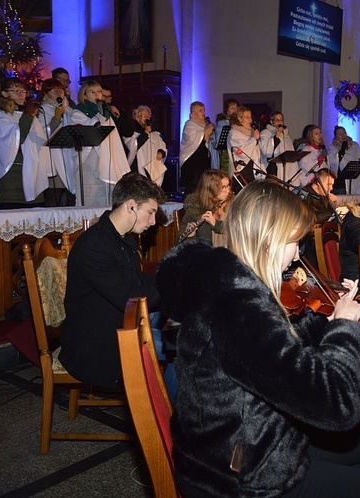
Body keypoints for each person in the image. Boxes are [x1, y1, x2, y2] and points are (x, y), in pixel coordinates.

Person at [156, 180, 360, 498]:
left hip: (239, 442)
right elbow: (337, 406)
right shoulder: (239, 308)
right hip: (239, 479)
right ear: (270, 240)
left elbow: (274, 352)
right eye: (295, 243)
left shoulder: (225, 279)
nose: (296, 257)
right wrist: (346, 328)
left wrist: (327, 323)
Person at [59, 172, 166, 389]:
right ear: (131, 206)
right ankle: (165, 418)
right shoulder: (94, 246)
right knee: (185, 349)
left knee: (182, 330)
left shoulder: (122, 239)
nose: (153, 222)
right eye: (151, 212)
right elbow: (131, 299)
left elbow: (138, 282)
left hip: (117, 324)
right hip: (95, 345)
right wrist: (175, 282)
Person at [0, 77, 48, 209]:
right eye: (15, 91)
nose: (21, 95)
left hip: (31, 172)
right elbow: (16, 139)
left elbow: (40, 141)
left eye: (23, 91)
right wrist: (28, 115)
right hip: (11, 175)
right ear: (5, 94)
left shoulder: (25, 114)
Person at [70, 80, 131, 206]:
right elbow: (87, 130)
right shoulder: (78, 111)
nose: (97, 95)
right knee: (91, 194)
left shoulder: (104, 111)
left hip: (106, 157)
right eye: (92, 92)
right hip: (89, 158)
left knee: (105, 195)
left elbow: (113, 137)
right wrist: (100, 117)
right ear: (84, 95)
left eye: (99, 92)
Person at [35, 78, 75, 206]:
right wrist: (56, 117)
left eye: (61, 90)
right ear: (46, 94)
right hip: (53, 159)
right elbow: (42, 135)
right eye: (54, 91)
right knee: (55, 197)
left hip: (68, 156)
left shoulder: (68, 110)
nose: (59, 93)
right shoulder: (42, 111)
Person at [177, 169, 231, 247]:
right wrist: (190, 236)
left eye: (228, 186)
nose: (228, 190)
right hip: (207, 256)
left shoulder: (232, 205)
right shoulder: (194, 210)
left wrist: (216, 224)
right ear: (211, 188)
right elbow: (179, 245)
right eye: (223, 187)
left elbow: (239, 231)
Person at [123, 105, 167, 186]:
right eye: (143, 116)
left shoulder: (155, 134)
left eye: (148, 116)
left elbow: (162, 145)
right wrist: (145, 133)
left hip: (152, 170)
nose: (146, 118)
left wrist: (161, 152)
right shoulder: (131, 132)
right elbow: (132, 147)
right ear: (136, 117)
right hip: (137, 171)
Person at [180, 101, 214, 197]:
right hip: (192, 161)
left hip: (203, 161)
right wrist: (205, 133)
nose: (203, 112)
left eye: (203, 110)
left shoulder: (205, 125)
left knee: (204, 187)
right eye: (200, 110)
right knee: (193, 189)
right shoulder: (189, 125)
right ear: (193, 113)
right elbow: (192, 139)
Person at [227, 105, 263, 188]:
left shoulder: (252, 131)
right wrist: (254, 139)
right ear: (239, 119)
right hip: (242, 169)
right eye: (247, 117)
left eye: (250, 117)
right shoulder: (234, 132)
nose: (250, 120)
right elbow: (240, 151)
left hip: (253, 166)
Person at [259, 111, 299, 185]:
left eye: (281, 120)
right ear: (271, 122)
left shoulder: (286, 135)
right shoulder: (265, 133)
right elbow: (266, 151)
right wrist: (276, 137)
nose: (279, 122)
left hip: (288, 167)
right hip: (273, 168)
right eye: (277, 120)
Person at [328, 126, 360, 195]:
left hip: (354, 179)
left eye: (344, 133)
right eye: (340, 134)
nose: (343, 135)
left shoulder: (354, 145)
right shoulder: (332, 147)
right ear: (336, 136)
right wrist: (342, 150)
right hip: (340, 181)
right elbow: (332, 162)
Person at [212, 98, 238, 172]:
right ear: (227, 110)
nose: (234, 110)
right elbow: (220, 137)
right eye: (232, 108)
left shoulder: (238, 122)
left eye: (236, 108)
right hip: (225, 151)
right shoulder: (222, 122)